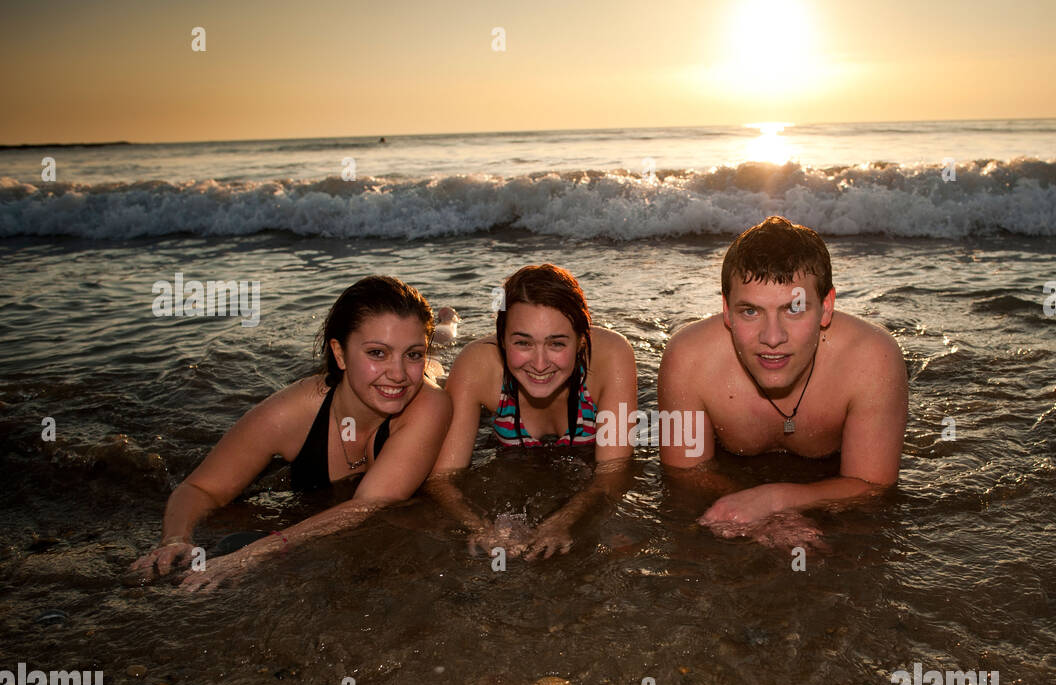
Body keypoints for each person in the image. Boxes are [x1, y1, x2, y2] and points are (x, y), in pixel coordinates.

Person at [130, 275, 453, 590]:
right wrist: (176, 539)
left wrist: (253, 554)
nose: (397, 374)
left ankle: (448, 325)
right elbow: (200, 487)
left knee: (440, 351)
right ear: (339, 354)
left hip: (432, 377)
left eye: (412, 354)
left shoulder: (430, 405)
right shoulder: (288, 414)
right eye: (377, 353)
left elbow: (373, 501)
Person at [657, 216, 907, 546]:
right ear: (727, 311)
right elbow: (684, 473)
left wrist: (776, 500)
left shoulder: (874, 358)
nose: (772, 338)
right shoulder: (686, 359)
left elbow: (874, 484)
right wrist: (759, 508)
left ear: (826, 308)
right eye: (750, 311)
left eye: (794, 309)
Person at [428, 264, 637, 559]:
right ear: (502, 340)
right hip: (465, 374)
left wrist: (564, 520)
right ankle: (449, 323)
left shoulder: (612, 355)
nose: (539, 364)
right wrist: (480, 527)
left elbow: (614, 470)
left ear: (580, 341)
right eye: (523, 343)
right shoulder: (477, 364)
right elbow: (442, 478)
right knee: (434, 359)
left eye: (556, 343)